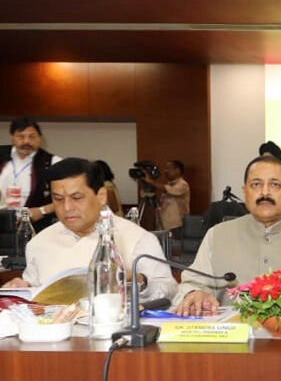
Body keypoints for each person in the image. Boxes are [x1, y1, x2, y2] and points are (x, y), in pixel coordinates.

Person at [172, 156, 281, 315]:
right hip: (232, 345)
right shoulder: (217, 235)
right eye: (256, 185)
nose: (265, 193)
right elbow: (192, 283)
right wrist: (195, 294)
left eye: (275, 185)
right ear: (245, 192)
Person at [1, 158, 176, 300]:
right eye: (58, 199)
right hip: (53, 337)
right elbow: (32, 287)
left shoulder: (136, 238)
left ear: (101, 196)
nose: (67, 207)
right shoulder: (39, 242)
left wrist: (139, 280)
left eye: (76, 197)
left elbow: (170, 290)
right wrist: (22, 286)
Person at [0, 118, 63, 230]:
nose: (26, 141)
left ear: (40, 138)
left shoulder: (52, 162)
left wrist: (42, 211)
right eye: (21, 136)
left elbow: (66, 198)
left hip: (37, 227)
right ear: (12, 138)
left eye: (32, 137)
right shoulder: (2, 156)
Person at [142, 160, 189, 233]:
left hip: (176, 225)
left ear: (177, 170)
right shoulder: (169, 184)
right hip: (163, 224)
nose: (165, 171)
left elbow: (169, 190)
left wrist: (151, 181)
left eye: (168, 169)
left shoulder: (183, 184)